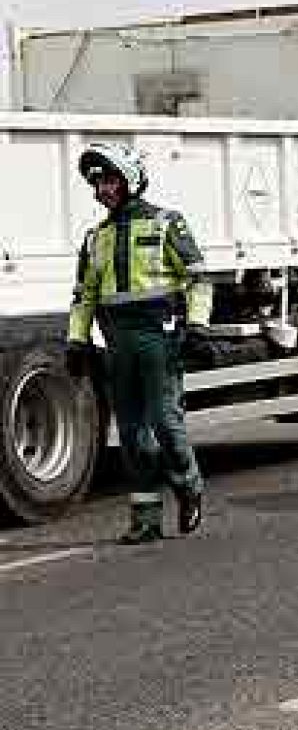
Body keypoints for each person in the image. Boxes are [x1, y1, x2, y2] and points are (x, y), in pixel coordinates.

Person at [66, 143, 212, 544]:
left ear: (130, 180)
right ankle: (145, 519)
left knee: (166, 423)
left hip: (158, 339)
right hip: (118, 344)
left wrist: (198, 326)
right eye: (97, 185)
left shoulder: (166, 223)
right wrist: (76, 341)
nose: (102, 191)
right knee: (132, 435)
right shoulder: (95, 238)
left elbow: (198, 278)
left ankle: (189, 485)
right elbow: (84, 296)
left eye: (110, 181)